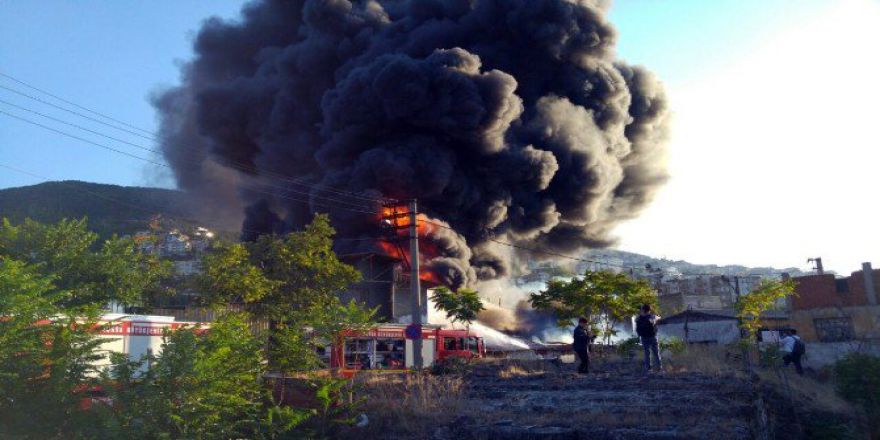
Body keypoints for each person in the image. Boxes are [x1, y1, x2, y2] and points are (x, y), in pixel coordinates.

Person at [635, 304, 662, 373]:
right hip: (652, 337)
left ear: (643, 310)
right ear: (649, 310)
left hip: (644, 337)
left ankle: (648, 369)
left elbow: (636, 323)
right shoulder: (652, 316)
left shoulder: (638, 318)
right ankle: (659, 368)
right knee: (656, 353)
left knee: (647, 353)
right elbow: (659, 318)